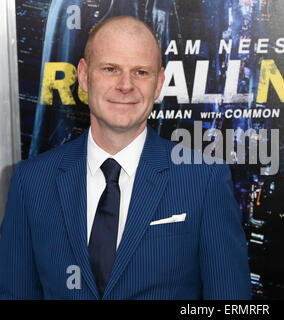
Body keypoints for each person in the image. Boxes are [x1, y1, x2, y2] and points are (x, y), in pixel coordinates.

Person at [0, 16, 251, 300]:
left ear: (158, 84)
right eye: (110, 69)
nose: (125, 85)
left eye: (141, 72)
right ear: (83, 76)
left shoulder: (204, 180)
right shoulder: (31, 180)